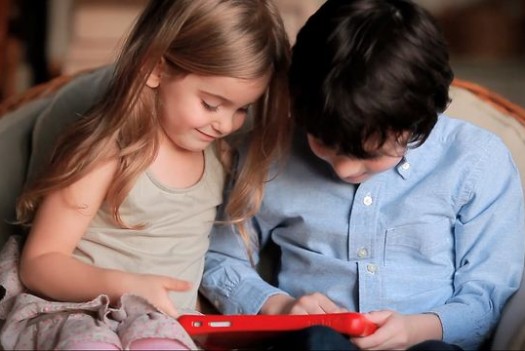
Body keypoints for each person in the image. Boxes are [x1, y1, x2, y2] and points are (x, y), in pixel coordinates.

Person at [200, 0, 525, 350]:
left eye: (371, 156)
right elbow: (219, 255)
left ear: (418, 121)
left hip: (428, 341)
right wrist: (279, 307)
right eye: (322, 143)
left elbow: (488, 296)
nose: (344, 168)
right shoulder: (268, 154)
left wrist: (416, 330)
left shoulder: (475, 161)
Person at [0, 0, 291, 349]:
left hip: (159, 324)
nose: (225, 124)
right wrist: (126, 284)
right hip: (75, 311)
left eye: (242, 109)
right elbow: (39, 264)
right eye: (211, 104)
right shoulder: (108, 152)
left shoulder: (222, 158)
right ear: (154, 68)